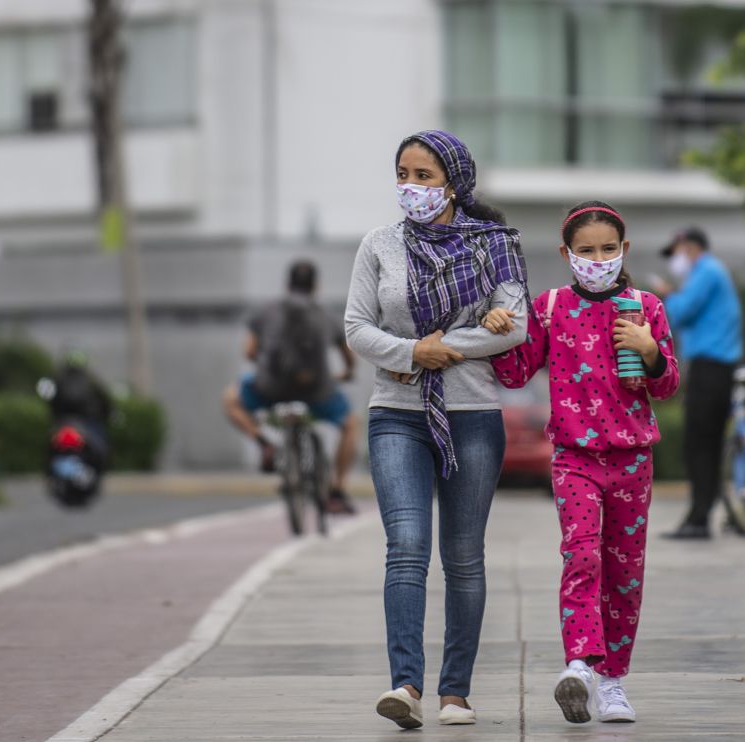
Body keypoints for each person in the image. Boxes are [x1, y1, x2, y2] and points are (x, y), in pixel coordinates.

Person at [344, 129, 529, 729]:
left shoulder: (494, 245)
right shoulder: (379, 245)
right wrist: (408, 354)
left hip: (472, 417)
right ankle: (405, 686)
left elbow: (515, 327)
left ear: (454, 181)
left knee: (464, 557)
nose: (411, 187)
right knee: (406, 549)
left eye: (424, 176)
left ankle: (456, 692)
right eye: (403, 174)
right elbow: (356, 328)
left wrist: (439, 349)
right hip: (396, 415)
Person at [482, 200, 680, 725]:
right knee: (582, 556)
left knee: (625, 571)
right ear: (566, 253)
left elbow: (667, 385)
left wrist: (650, 349)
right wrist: (501, 330)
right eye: (586, 251)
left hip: (633, 459)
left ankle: (613, 681)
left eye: (608, 249)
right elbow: (517, 372)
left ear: (625, 250)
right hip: (574, 459)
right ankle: (580, 665)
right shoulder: (549, 307)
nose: (598, 259)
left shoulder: (646, 307)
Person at [221, 260, 358, 514]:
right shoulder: (327, 315)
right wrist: (346, 373)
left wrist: (267, 367)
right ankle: (336, 491)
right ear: (316, 286)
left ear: (287, 284)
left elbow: (249, 351)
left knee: (230, 399)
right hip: (318, 392)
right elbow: (349, 357)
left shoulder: (265, 311)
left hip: (270, 389)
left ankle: (264, 443)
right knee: (350, 424)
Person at [659, 227, 743, 540]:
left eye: (676, 251)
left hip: (712, 367)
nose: (675, 259)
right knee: (702, 444)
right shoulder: (707, 273)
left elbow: (679, 313)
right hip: (709, 367)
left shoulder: (706, 272)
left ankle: (699, 518)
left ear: (690, 247)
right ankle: (698, 514)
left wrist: (668, 296)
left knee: (701, 444)